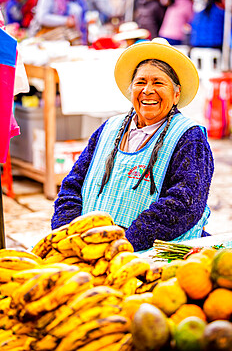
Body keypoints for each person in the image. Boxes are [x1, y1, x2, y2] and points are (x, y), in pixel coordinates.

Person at [51, 38, 214, 252]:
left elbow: (185, 203)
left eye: (158, 83)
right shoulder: (109, 128)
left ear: (176, 94)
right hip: (88, 248)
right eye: (140, 82)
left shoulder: (189, 137)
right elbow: (72, 184)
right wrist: (68, 233)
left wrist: (124, 243)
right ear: (131, 91)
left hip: (150, 254)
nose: (147, 90)